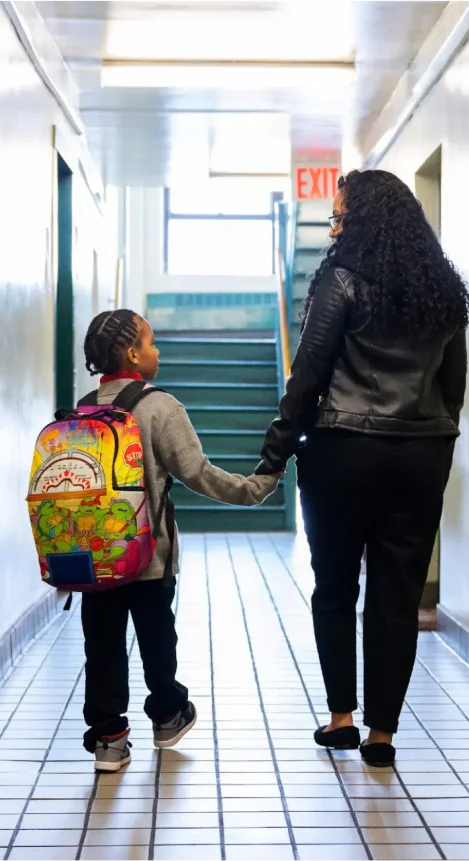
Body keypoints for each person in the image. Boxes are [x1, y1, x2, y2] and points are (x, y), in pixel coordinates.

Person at [256, 169, 469, 768]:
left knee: (334, 587)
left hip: (343, 451)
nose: (335, 225)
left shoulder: (342, 276)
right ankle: (383, 734)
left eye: (340, 214)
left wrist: (275, 453)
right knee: (397, 595)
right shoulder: (443, 289)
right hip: (423, 454)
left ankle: (342, 718)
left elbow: (310, 372)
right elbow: (452, 388)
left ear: (364, 218)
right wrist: (432, 439)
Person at [80, 309, 280, 771]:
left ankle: (109, 739)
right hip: (148, 558)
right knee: (156, 638)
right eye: (150, 342)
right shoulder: (159, 407)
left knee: (102, 645)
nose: (157, 350)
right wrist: (255, 488)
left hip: (95, 559)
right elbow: (198, 473)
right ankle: (168, 713)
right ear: (132, 354)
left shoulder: (86, 406)